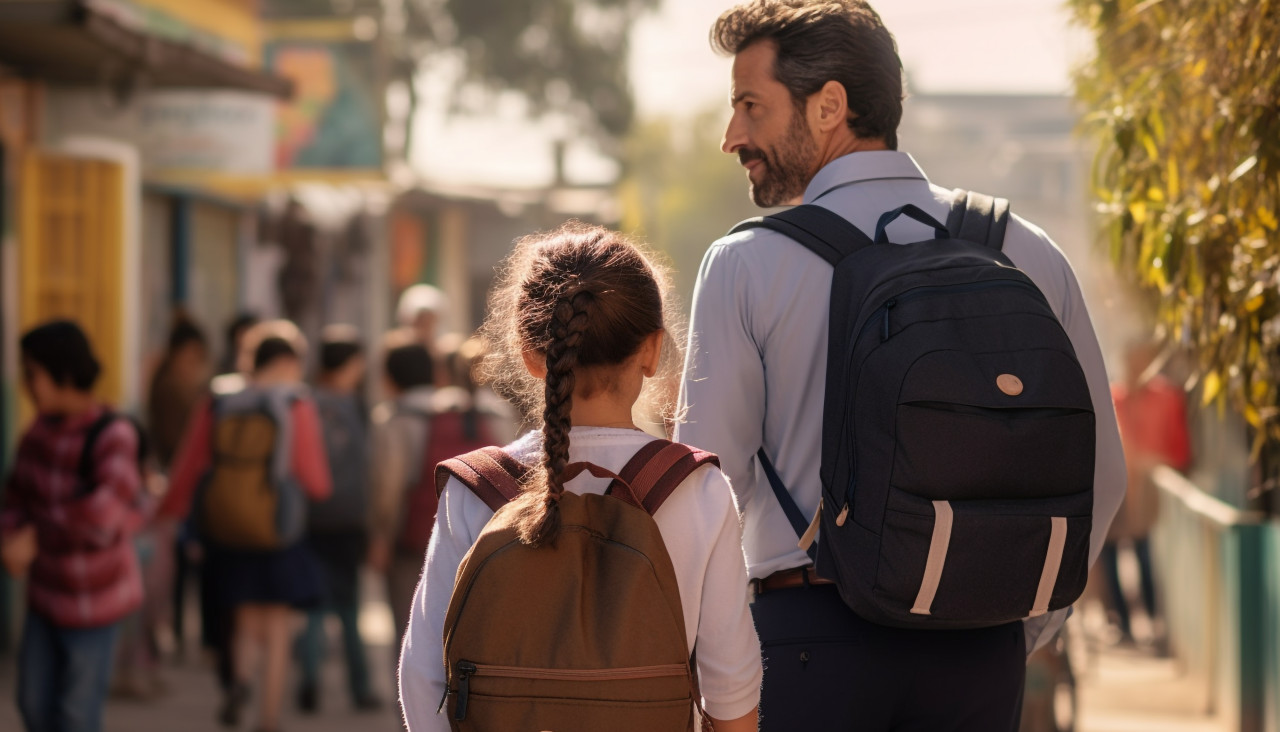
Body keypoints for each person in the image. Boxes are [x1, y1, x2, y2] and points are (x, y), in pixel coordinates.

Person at [676, 3, 1126, 730]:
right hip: (981, 646)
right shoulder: (1026, 251)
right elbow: (1101, 473)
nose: (733, 136)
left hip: (809, 643)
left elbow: (707, 491)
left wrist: (719, 673)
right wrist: (1022, 627)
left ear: (829, 106)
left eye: (751, 106)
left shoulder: (746, 264)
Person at [399, 224, 762, 732]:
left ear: (530, 352)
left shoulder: (475, 489)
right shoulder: (696, 488)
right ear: (652, 350)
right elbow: (730, 687)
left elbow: (423, 675)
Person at [160, 321, 332, 732]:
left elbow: (190, 464)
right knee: (277, 626)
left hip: (227, 526)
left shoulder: (219, 399)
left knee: (243, 618)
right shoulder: (296, 404)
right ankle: (268, 718)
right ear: (287, 361)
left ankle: (238, 683)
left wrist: (169, 510)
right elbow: (315, 480)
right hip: (278, 528)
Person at [1, 320, 145, 732]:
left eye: (33, 373)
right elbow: (15, 497)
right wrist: (10, 535)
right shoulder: (37, 433)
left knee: (77, 715)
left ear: (63, 373)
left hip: (95, 604)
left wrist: (34, 534)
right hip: (46, 597)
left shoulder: (114, 435)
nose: (27, 385)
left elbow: (101, 518)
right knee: (33, 704)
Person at [296, 325, 381, 713]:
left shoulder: (306, 402)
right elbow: (370, 467)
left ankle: (309, 682)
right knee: (348, 608)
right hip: (350, 519)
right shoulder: (358, 407)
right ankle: (359, 688)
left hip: (311, 516)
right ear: (352, 364)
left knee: (313, 605)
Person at [1104, 340, 1190, 644]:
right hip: (1116, 490)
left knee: (1145, 554)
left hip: (1149, 491)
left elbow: (1180, 451)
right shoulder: (1113, 398)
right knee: (1110, 556)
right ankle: (1121, 624)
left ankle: (1154, 621)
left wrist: (1151, 462)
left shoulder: (1167, 398)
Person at [367, 331, 437, 652]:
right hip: (463, 532)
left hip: (410, 537)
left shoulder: (393, 418)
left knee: (408, 627)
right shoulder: (461, 410)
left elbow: (388, 485)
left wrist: (381, 536)